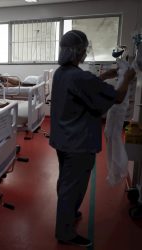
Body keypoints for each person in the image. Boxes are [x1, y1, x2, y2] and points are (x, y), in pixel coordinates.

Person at [49, 30, 136, 247]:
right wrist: (127, 78)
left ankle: (68, 214)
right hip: (78, 143)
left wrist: (104, 77)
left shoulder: (62, 73)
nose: (86, 52)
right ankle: (65, 232)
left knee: (66, 181)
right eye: (84, 48)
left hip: (63, 139)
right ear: (79, 51)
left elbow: (81, 88)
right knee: (74, 185)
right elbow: (117, 96)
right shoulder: (80, 76)